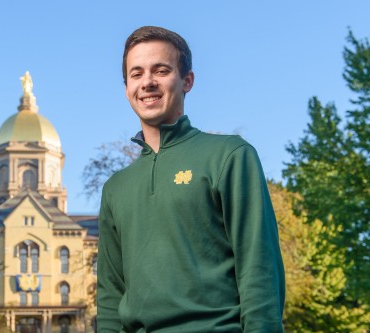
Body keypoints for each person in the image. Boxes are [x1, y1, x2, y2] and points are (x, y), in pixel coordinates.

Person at [97, 26, 285, 332]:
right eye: (136, 73)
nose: (147, 82)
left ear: (187, 81)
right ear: (127, 87)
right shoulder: (116, 189)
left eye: (161, 70)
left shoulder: (229, 156)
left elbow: (259, 270)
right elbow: (110, 296)